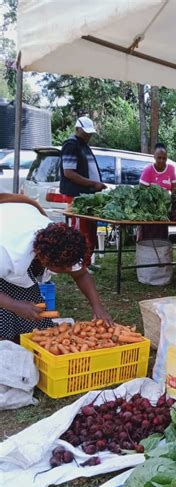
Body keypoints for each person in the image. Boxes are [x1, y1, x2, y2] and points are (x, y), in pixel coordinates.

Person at [0, 194, 112, 341]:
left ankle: (22, 342)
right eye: (65, 268)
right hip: (7, 235)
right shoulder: (7, 252)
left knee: (34, 317)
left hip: (18, 218)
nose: (69, 271)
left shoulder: (61, 242)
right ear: (47, 261)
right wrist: (14, 305)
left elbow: (81, 274)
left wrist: (98, 307)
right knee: (8, 311)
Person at [60, 116, 106, 262]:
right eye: (85, 132)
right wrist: (93, 183)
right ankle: (79, 262)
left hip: (88, 196)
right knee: (81, 231)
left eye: (90, 133)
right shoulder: (71, 145)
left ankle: (87, 261)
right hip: (78, 196)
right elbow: (69, 173)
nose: (88, 135)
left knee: (90, 230)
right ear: (77, 129)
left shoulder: (83, 145)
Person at [138, 143, 176, 241]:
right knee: (148, 239)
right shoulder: (148, 170)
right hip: (150, 213)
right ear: (154, 156)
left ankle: (161, 255)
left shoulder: (171, 169)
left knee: (162, 239)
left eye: (164, 158)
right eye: (159, 158)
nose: (161, 161)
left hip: (164, 213)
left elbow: (174, 190)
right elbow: (141, 192)